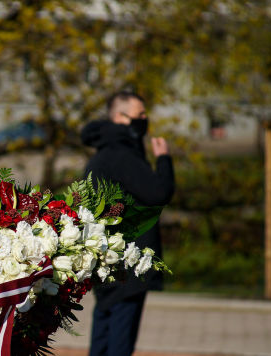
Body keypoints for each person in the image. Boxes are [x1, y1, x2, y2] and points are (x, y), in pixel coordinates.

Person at [81, 92, 175, 356]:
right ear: (121, 117)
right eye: (140, 114)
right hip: (128, 263)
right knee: (120, 339)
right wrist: (164, 159)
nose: (145, 119)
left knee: (104, 332)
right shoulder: (121, 155)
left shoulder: (101, 156)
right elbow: (158, 192)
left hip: (106, 258)